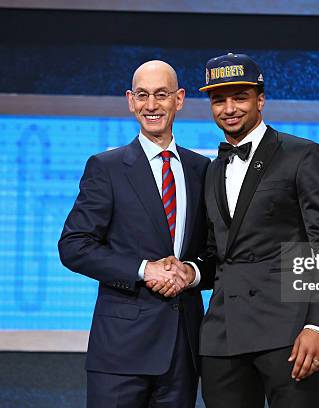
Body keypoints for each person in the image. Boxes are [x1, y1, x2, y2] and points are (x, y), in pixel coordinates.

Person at [58, 60, 210, 408]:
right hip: (120, 355)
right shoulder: (106, 168)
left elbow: (213, 253)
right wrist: (145, 269)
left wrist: (192, 272)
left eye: (161, 95)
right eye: (142, 95)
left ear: (180, 99)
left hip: (183, 352)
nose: (151, 105)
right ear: (130, 100)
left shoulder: (201, 170)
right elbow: (74, 246)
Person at [196, 53, 319, 408]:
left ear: (260, 100)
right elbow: (218, 253)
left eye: (239, 97)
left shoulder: (302, 155)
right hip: (222, 338)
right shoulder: (212, 170)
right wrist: (188, 271)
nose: (229, 108)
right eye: (219, 100)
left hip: (287, 334)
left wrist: (318, 326)